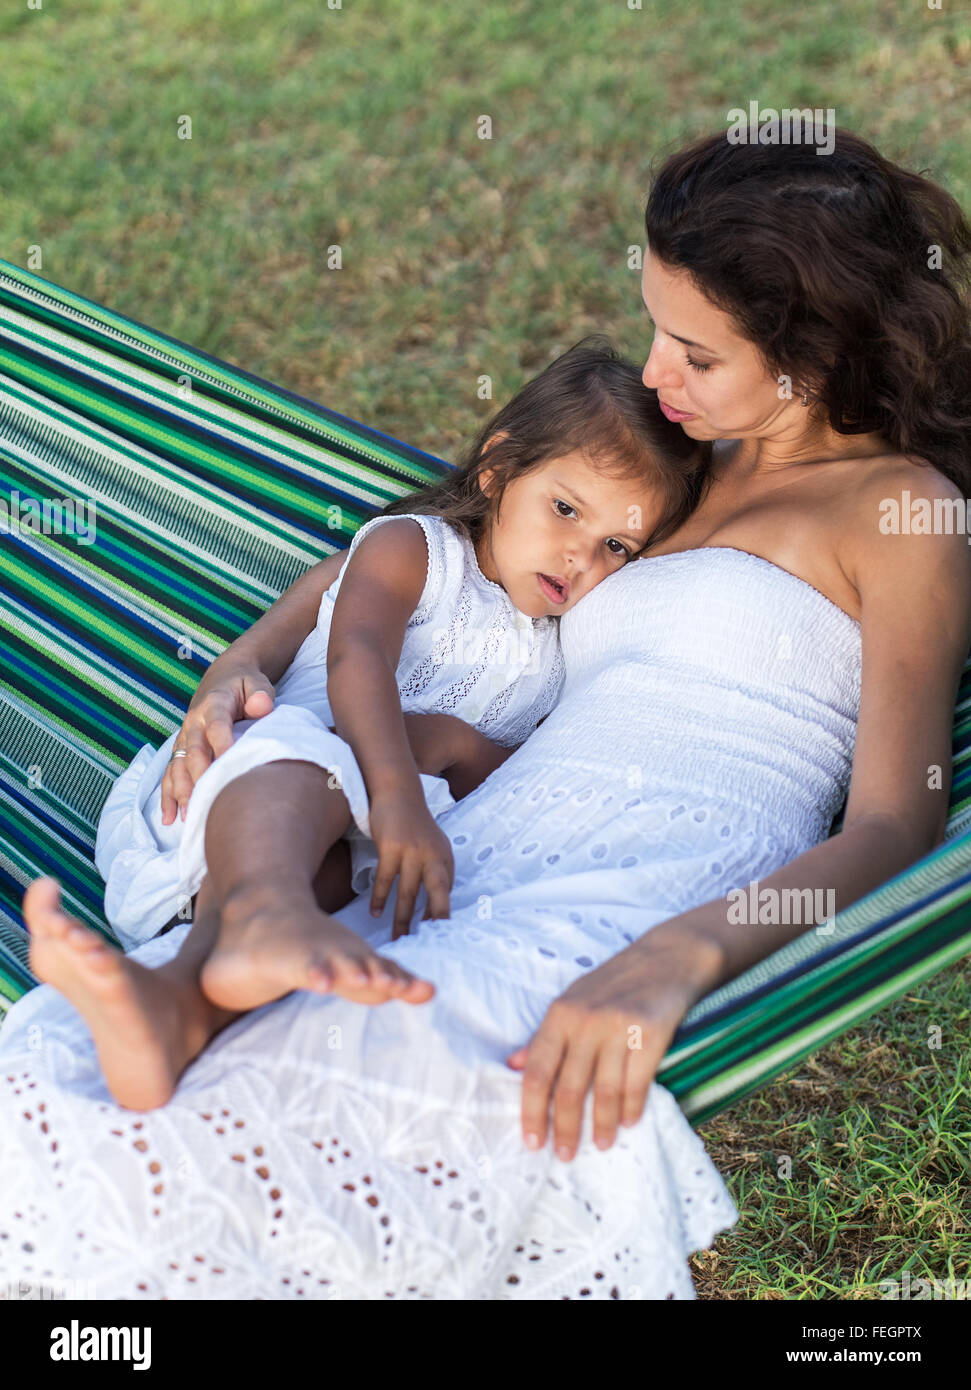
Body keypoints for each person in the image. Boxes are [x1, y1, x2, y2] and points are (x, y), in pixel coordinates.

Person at [2, 126, 969, 1301]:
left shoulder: (897, 511)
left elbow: (894, 822)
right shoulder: (671, 471)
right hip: (477, 838)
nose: (656, 376)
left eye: (695, 353)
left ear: (809, 355)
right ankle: (171, 1000)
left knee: (318, 1087)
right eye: (655, 328)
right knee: (87, 1073)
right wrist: (243, 672)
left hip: (656, 875)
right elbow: (433, 554)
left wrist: (684, 951)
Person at [25, 339, 710, 1109]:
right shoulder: (413, 551)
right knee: (301, 758)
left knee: (317, 899)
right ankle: (259, 919)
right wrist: (395, 794)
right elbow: (357, 656)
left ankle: (171, 1012)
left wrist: (455, 745)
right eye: (564, 509)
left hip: (348, 862)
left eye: (615, 545)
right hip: (245, 804)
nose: (578, 555)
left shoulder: (564, 652)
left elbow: (519, 776)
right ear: (498, 470)